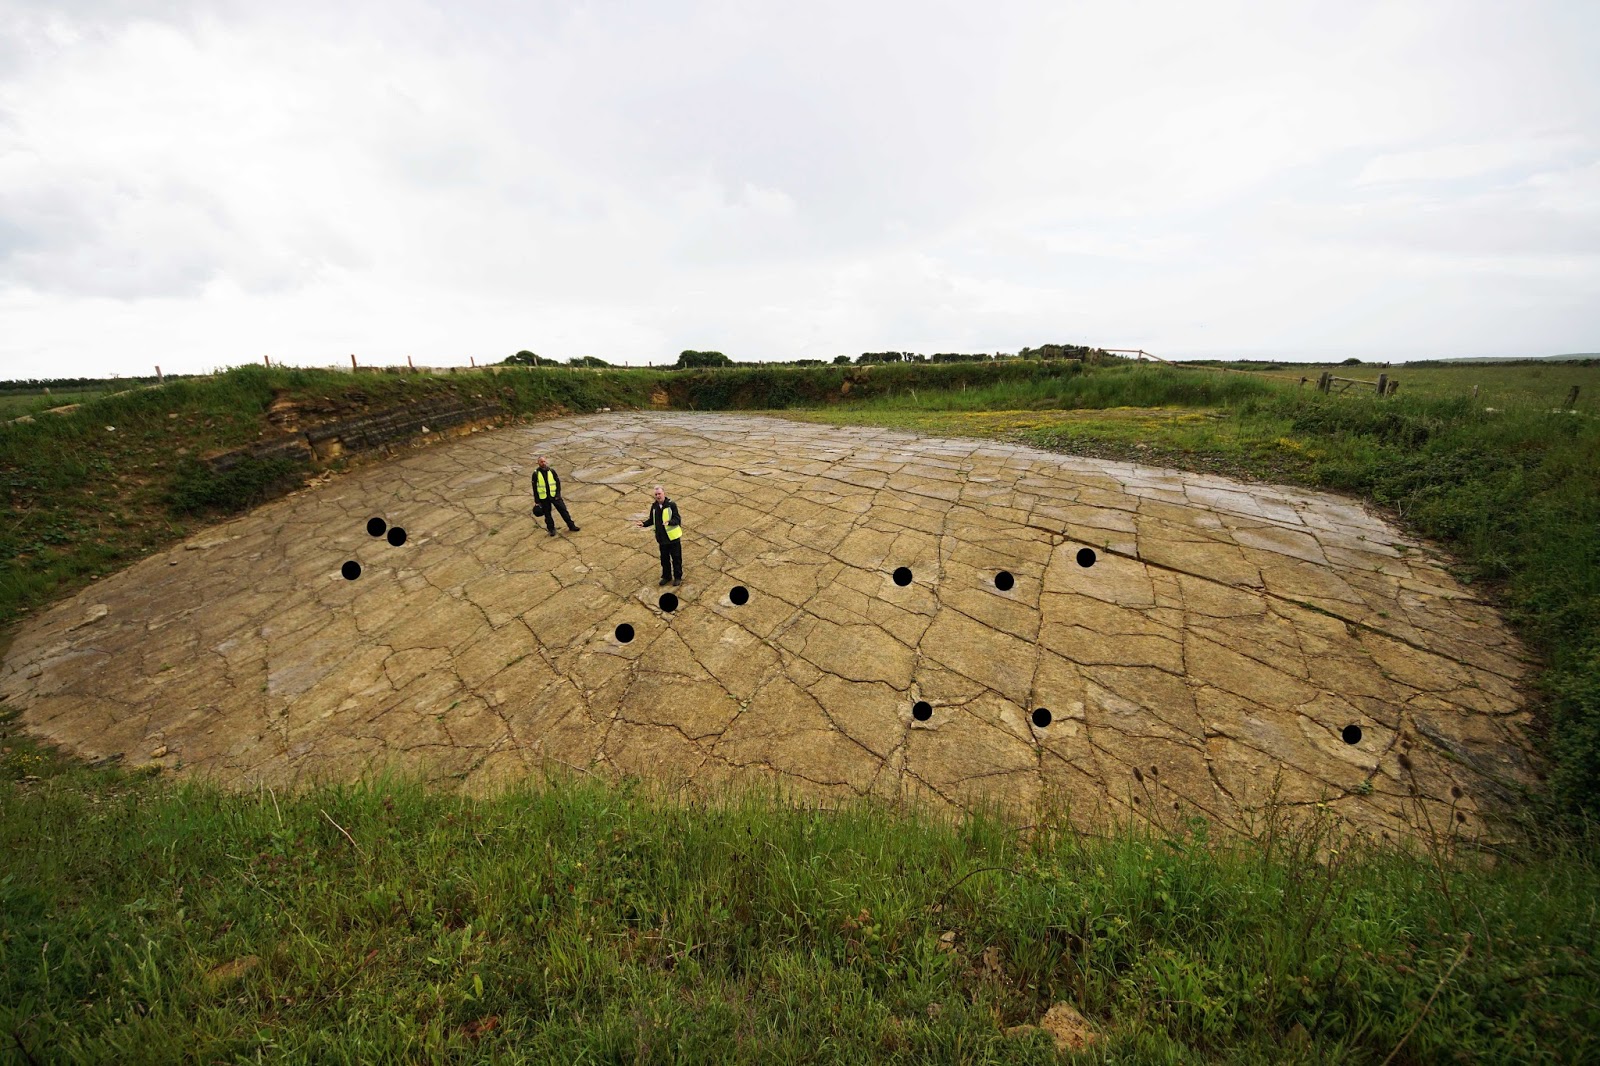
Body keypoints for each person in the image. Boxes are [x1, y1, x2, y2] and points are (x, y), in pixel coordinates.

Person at [638, 485, 683, 586]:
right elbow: (651, 520)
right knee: (664, 559)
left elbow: (677, 519)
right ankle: (666, 576)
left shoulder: (671, 505)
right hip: (662, 539)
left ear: (664, 493)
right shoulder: (654, 507)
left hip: (673, 538)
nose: (658, 496)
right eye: (656, 494)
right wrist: (644, 524)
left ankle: (678, 577)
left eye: (659, 494)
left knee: (676, 558)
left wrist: (669, 522)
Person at [531, 455, 580, 537]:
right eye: (541, 462)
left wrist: (558, 494)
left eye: (544, 461)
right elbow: (535, 488)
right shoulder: (535, 474)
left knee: (563, 511)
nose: (543, 463)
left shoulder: (551, 471)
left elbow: (557, 483)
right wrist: (537, 501)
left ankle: (571, 526)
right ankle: (551, 530)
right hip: (544, 498)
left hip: (555, 496)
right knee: (547, 515)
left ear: (546, 461)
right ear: (538, 463)